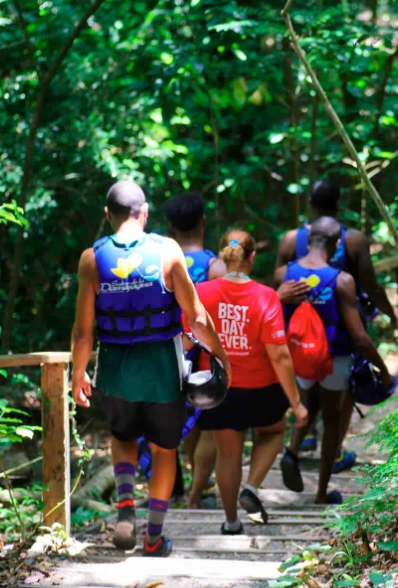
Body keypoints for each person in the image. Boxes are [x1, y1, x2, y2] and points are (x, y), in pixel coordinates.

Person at [70, 181, 230, 558]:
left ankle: (126, 508)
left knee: (123, 437)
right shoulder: (167, 251)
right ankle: (153, 537)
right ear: (144, 214)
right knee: (163, 451)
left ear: (108, 215)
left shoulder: (91, 259)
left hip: (113, 370)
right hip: (162, 368)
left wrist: (78, 373)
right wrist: (221, 358)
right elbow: (197, 317)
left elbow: (83, 331)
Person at [189, 229, 308, 534]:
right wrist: (296, 403)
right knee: (274, 430)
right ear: (252, 257)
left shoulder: (201, 293)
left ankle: (231, 522)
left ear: (221, 257)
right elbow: (279, 355)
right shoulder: (266, 296)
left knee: (228, 453)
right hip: (262, 391)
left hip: (219, 390)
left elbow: (187, 341)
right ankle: (252, 487)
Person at [276, 178, 398, 470]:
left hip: (299, 331)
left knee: (308, 388)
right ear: (338, 203)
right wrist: (391, 315)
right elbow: (370, 285)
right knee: (343, 391)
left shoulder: (291, 239)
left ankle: (303, 436)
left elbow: (280, 285)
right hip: (340, 329)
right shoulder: (352, 239)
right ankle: (334, 450)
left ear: (310, 203)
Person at [134, 192, 221, 506]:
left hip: (166, 354)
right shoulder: (215, 267)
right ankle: (196, 492)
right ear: (203, 222)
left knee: (171, 420)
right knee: (205, 423)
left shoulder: (158, 262)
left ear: (170, 225)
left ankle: (175, 489)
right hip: (203, 357)